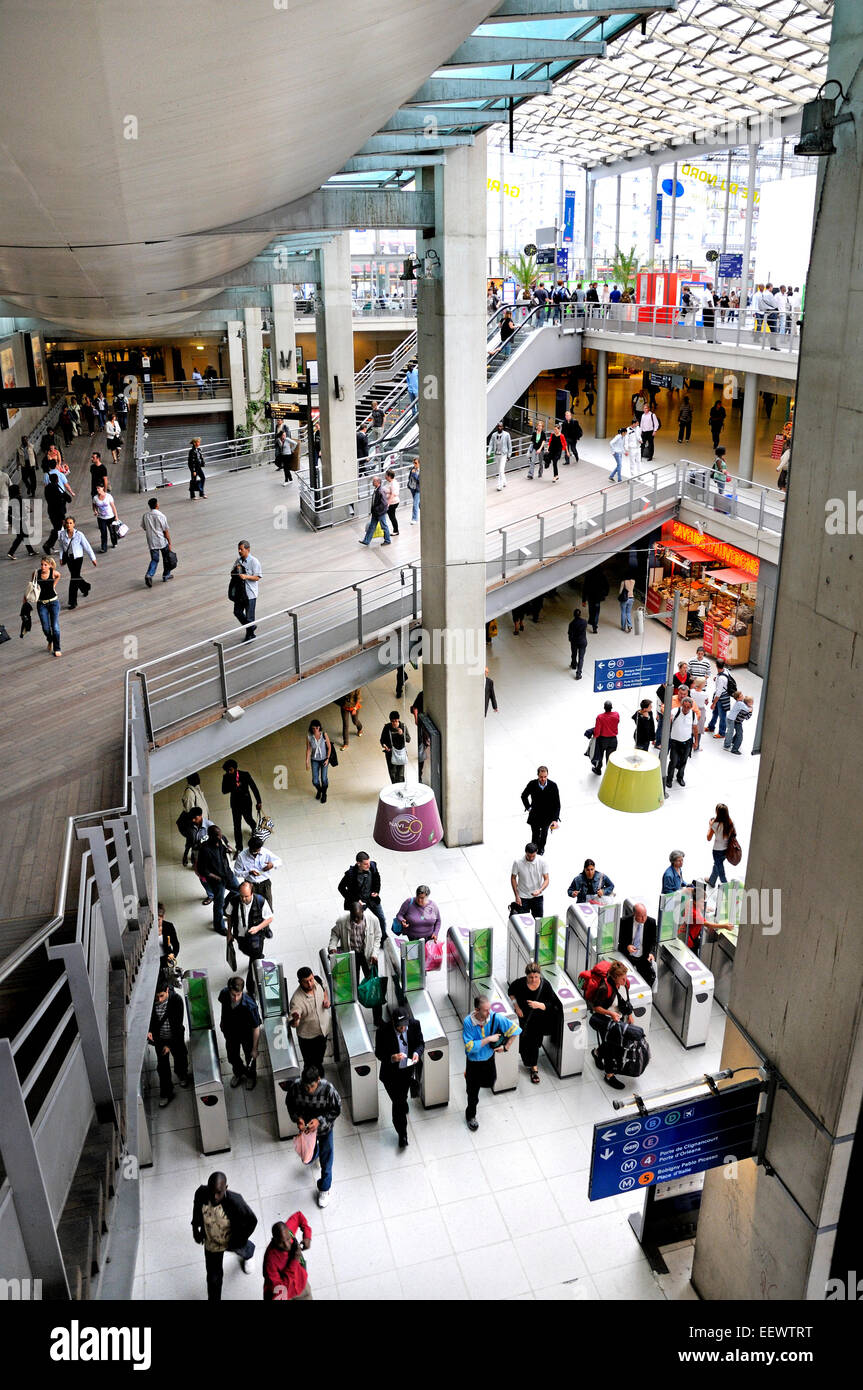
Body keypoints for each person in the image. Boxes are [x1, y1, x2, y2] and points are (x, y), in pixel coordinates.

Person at [192, 1171, 258, 1300]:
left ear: (226, 1188)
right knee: (213, 1277)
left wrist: (239, 1240)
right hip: (212, 1243)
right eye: (212, 1192)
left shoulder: (236, 1201)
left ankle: (249, 1254)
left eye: (219, 1192)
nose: (215, 1196)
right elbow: (196, 1209)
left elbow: (251, 1221)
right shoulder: (201, 1193)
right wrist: (195, 1228)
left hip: (231, 1241)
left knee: (244, 1249)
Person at [284, 1064, 342, 1208]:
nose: (308, 1090)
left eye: (311, 1086)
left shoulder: (328, 1089)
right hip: (307, 1131)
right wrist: (298, 1118)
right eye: (306, 1087)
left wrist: (320, 1121)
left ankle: (325, 1188)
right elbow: (290, 1104)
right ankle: (315, 1155)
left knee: (327, 1158)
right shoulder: (296, 1087)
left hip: (324, 1129)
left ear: (318, 1080)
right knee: (307, 1158)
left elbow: (336, 1109)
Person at [462, 992, 519, 1130]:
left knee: (490, 1081)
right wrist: (488, 1039)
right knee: (473, 1092)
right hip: (474, 1062)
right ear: (477, 1010)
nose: (489, 1012)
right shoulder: (468, 1022)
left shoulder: (494, 1017)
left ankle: (469, 1078)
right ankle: (470, 1115)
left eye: (490, 1008)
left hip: (488, 1059)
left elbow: (515, 1030)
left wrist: (506, 1047)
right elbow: (469, 1047)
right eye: (486, 1010)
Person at [375, 1005, 424, 1148]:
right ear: (393, 1024)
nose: (404, 1029)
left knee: (399, 1102)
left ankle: (402, 1131)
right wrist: (392, 1058)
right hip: (390, 1074)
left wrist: (417, 1053)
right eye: (400, 1027)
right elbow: (379, 1054)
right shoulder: (383, 1032)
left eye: (405, 1026)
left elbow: (420, 1043)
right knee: (398, 1101)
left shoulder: (414, 1025)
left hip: (407, 1070)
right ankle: (402, 1128)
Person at [507, 961, 559, 1085]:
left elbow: (552, 1004)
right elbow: (511, 992)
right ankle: (527, 1062)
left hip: (538, 1021)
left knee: (534, 1044)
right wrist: (517, 1007)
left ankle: (534, 1067)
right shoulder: (520, 983)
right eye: (531, 977)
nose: (534, 980)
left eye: (536, 977)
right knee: (523, 1043)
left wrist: (540, 1005)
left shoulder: (545, 985)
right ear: (526, 976)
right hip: (523, 1019)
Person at [587, 958, 634, 1090]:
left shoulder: (625, 984)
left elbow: (625, 1001)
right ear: (614, 977)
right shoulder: (604, 988)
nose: (625, 981)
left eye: (626, 978)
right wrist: (611, 1014)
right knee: (610, 1048)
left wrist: (629, 1014)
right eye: (622, 979)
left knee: (613, 1044)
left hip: (618, 1020)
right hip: (605, 1021)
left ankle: (596, 1053)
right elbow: (596, 1007)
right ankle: (609, 1075)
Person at [147, 975, 189, 1107]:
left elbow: (177, 1024)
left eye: (161, 996)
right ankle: (166, 1092)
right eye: (156, 997)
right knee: (162, 1067)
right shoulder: (150, 1002)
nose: (158, 1000)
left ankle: (182, 1074)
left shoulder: (176, 1000)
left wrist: (169, 1045)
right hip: (159, 1039)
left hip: (175, 1037)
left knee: (180, 1056)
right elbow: (148, 1020)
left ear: (167, 991)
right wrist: (148, 1031)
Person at [226, 879, 274, 994]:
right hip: (240, 935)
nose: (243, 899)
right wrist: (229, 932)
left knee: (253, 960)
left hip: (256, 937)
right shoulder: (234, 901)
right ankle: (257, 957)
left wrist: (257, 928)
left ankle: (251, 988)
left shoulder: (260, 901)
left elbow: (270, 918)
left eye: (246, 896)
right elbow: (229, 915)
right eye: (241, 896)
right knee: (245, 950)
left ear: (252, 893)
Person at [217, 976, 261, 1091]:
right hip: (230, 1032)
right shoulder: (224, 994)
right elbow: (223, 1007)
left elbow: (256, 1028)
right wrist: (222, 1022)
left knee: (250, 1057)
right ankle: (239, 1072)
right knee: (232, 1056)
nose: (236, 998)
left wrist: (255, 1048)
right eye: (233, 995)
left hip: (246, 1034)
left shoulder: (250, 1006)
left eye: (238, 995)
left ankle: (251, 1076)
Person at [195, 823, 240, 933]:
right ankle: (219, 926)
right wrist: (217, 878)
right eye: (218, 835)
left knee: (238, 890)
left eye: (220, 834)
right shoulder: (204, 850)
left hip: (228, 874)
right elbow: (203, 870)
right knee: (218, 904)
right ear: (211, 836)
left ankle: (225, 907)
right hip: (217, 880)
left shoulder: (222, 840)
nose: (220, 837)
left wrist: (228, 849)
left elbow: (227, 848)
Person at [338, 851, 387, 941]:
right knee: (356, 923)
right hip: (359, 903)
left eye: (369, 863)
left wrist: (376, 890)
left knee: (382, 918)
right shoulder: (350, 874)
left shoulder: (372, 866)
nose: (368, 866)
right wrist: (355, 900)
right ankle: (356, 941)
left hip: (371, 899)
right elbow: (341, 887)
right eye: (365, 864)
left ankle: (383, 938)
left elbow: (377, 877)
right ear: (358, 863)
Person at [289, 967, 331, 1069]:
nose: (310, 984)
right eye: (306, 982)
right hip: (308, 1038)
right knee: (309, 1063)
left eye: (311, 980)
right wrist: (295, 1019)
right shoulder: (296, 1000)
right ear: (299, 982)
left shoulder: (317, 981)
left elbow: (324, 988)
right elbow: (294, 1024)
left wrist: (326, 1000)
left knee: (319, 1058)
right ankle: (311, 1080)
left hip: (323, 1031)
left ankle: (318, 1074)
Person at [262, 1216, 313, 1301]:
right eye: (281, 1242)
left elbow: (299, 1216)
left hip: (301, 1284)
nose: (286, 1245)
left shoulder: (287, 1230)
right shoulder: (270, 1262)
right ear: (274, 1240)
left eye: (288, 1239)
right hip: (285, 1295)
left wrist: (307, 1236)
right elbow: (279, 1289)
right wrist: (294, 1261)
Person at [221, 758, 262, 851]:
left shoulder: (245, 775)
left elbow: (253, 788)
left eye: (230, 770)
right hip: (235, 804)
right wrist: (234, 786)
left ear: (235, 768)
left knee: (248, 819)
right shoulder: (226, 777)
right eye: (227, 770)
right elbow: (224, 790)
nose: (228, 772)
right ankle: (239, 848)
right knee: (237, 826)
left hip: (246, 802)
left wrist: (259, 801)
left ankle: (253, 827)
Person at [58, 516, 98, 610]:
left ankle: (72, 602)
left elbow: (87, 546)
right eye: (67, 523)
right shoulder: (62, 534)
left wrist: (93, 558)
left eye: (71, 523)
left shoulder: (79, 534)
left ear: (74, 524)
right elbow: (61, 546)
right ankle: (86, 587)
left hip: (78, 558)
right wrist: (61, 557)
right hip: (69, 559)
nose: (69, 525)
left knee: (73, 579)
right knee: (75, 576)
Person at [520, 766, 561, 855]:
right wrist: (529, 808)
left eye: (545, 777)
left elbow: (557, 804)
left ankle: (541, 849)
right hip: (535, 815)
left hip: (547, 816)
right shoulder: (532, 784)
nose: (543, 779)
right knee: (535, 835)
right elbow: (524, 796)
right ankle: (533, 851)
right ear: (538, 775)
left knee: (544, 834)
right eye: (541, 777)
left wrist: (555, 819)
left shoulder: (553, 786)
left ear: (547, 775)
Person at [27, 555, 63, 656]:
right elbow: (32, 586)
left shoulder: (54, 573)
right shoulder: (36, 573)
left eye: (45, 565)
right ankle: (50, 639)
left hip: (53, 603)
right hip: (41, 603)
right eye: (42, 564)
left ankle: (57, 648)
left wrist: (54, 585)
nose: (43, 567)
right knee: (45, 627)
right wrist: (25, 600)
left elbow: (59, 576)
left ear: (50, 566)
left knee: (55, 626)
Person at [234, 834, 280, 910]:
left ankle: (267, 920)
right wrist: (248, 872)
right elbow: (236, 872)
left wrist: (272, 864)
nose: (257, 853)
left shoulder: (265, 852)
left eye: (259, 850)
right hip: (250, 885)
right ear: (250, 848)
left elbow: (279, 861)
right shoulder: (241, 856)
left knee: (268, 905)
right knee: (252, 906)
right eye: (255, 851)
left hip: (265, 884)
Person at [617, 903, 658, 988]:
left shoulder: (651, 922)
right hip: (628, 956)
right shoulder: (624, 921)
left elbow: (653, 941)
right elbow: (619, 938)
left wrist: (651, 953)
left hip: (643, 957)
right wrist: (627, 946)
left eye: (645, 915)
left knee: (648, 979)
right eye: (640, 916)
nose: (644, 918)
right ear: (634, 914)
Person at [231, 539, 262, 640]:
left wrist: (246, 577)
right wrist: (237, 570)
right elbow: (232, 573)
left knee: (249, 617)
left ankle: (250, 635)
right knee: (237, 612)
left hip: (250, 594)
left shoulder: (254, 562)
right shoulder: (238, 560)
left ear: (248, 549)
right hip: (240, 593)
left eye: (241, 549)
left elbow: (257, 577)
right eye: (238, 549)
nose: (239, 551)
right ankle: (251, 627)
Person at [510, 842, 549, 920]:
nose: (531, 858)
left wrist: (540, 890)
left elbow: (546, 879)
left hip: (537, 896)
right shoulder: (517, 862)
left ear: (536, 852)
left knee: (539, 921)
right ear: (525, 852)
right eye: (528, 856)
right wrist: (517, 895)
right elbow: (513, 878)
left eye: (533, 856)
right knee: (523, 922)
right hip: (522, 897)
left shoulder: (542, 861)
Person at [141, 496, 173, 587]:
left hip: (151, 541)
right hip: (161, 540)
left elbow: (144, 527)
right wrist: (169, 542)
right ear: (157, 505)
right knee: (166, 558)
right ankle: (166, 575)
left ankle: (149, 574)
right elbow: (165, 531)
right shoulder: (161, 516)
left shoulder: (145, 516)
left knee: (154, 559)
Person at [666, 695, 695, 789]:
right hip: (675, 742)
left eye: (688, 707)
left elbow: (695, 728)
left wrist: (696, 742)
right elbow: (669, 719)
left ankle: (680, 778)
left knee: (683, 762)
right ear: (682, 705)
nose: (686, 709)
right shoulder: (675, 711)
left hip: (687, 743)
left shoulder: (693, 714)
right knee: (673, 761)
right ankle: (669, 779)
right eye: (684, 706)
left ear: (691, 707)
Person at [180, 775, 208, 866]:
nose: (199, 779)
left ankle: (192, 857)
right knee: (192, 842)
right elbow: (190, 811)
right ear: (190, 780)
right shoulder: (189, 793)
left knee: (194, 842)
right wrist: (196, 824)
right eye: (196, 778)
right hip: (195, 824)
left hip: (200, 822)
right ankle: (188, 857)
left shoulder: (197, 788)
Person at [707, 803, 735, 886]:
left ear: (717, 812)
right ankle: (711, 881)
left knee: (721, 872)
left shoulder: (715, 825)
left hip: (717, 851)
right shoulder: (730, 823)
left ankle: (726, 888)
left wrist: (710, 826)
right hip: (726, 850)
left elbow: (708, 838)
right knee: (717, 865)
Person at [6, 485, 37, 560]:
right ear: (16, 490)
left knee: (25, 535)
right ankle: (11, 552)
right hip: (19, 520)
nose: (20, 490)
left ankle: (31, 551)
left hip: (14, 520)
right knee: (20, 537)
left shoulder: (12, 498)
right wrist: (28, 511)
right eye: (19, 489)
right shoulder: (18, 498)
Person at [358, 475, 391, 546]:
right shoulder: (377, 489)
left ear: (378, 482)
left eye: (374, 481)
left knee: (384, 526)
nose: (372, 482)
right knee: (371, 527)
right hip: (376, 513)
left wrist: (377, 510)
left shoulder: (380, 491)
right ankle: (366, 541)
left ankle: (387, 540)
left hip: (380, 513)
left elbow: (384, 504)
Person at [304, 719, 332, 804]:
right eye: (313, 728)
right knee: (315, 780)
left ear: (319, 727)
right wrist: (307, 761)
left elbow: (329, 747)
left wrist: (327, 759)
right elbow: (308, 749)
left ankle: (324, 794)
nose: (315, 730)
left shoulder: (324, 734)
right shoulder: (309, 736)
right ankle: (320, 791)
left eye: (316, 728)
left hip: (324, 759)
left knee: (324, 779)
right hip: (314, 760)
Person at [380, 709, 411, 783]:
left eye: (396, 721)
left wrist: (402, 734)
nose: (395, 723)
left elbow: (408, 739)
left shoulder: (403, 726)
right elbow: (382, 740)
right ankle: (394, 788)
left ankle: (401, 787)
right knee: (392, 774)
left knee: (400, 775)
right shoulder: (387, 727)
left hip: (400, 753)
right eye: (393, 721)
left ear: (398, 720)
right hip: (390, 754)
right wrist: (384, 746)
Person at [706, 660, 735, 738]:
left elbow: (718, 693)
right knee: (715, 713)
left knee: (722, 716)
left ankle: (722, 733)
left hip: (722, 698)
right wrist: (717, 678)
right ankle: (711, 727)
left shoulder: (721, 678)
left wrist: (714, 703)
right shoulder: (726, 671)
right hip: (724, 695)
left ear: (716, 665)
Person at [591, 700, 619, 775]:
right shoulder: (616, 714)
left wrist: (595, 736)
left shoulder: (600, 717)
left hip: (603, 740)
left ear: (604, 708)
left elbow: (597, 732)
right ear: (611, 707)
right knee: (610, 758)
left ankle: (598, 769)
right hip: (613, 740)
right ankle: (609, 773)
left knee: (599, 755)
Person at [91, 483, 118, 553]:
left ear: (103, 488)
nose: (97, 490)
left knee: (112, 532)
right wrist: (95, 511)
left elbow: (113, 507)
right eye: (96, 488)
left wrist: (116, 517)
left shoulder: (109, 496)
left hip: (110, 517)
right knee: (103, 533)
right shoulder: (95, 498)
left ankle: (114, 542)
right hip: (101, 518)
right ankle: (104, 547)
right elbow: (94, 506)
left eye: (99, 488)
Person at [582, 568, 608, 633]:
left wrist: (584, 600)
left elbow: (585, 588)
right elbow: (607, 586)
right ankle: (594, 626)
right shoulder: (602, 576)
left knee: (591, 610)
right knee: (596, 612)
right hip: (598, 598)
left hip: (590, 597)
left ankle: (592, 622)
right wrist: (605, 594)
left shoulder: (588, 576)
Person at [489, 422, 512, 492]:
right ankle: (504, 481)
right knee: (500, 470)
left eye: (501, 426)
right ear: (497, 427)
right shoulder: (493, 435)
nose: (499, 428)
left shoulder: (507, 435)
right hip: (496, 454)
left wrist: (509, 455)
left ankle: (500, 485)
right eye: (498, 426)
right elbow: (491, 444)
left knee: (501, 470)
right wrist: (488, 453)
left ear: (503, 427)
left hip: (503, 454)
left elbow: (509, 445)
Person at [156, 902, 180, 969]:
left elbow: (176, 945)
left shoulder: (168, 926)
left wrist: (172, 956)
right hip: (152, 960)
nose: (155, 923)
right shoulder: (149, 929)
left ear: (162, 917)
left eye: (158, 920)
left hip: (165, 957)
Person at [567, 607, 588, 679]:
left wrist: (570, 640)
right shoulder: (584, 622)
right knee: (581, 657)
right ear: (580, 614)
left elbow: (570, 633)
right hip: (582, 641)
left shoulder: (571, 624)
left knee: (574, 654)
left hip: (575, 641)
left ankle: (573, 665)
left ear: (574, 615)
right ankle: (578, 673)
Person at [690, 677, 709, 752]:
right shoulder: (705, 694)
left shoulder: (691, 691)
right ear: (701, 684)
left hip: (692, 710)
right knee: (699, 729)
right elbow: (706, 702)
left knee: (691, 728)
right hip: (700, 711)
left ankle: (690, 744)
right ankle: (697, 746)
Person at [384, 467, 400, 536]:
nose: (385, 476)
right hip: (391, 502)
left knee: (392, 517)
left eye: (386, 475)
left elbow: (393, 494)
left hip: (393, 502)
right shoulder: (390, 482)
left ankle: (396, 531)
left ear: (389, 476)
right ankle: (395, 530)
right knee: (391, 516)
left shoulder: (393, 483)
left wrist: (388, 503)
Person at [407, 457, 420, 523]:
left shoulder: (421, 470)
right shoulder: (412, 469)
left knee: (415, 504)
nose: (414, 464)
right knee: (419, 504)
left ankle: (414, 519)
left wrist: (414, 474)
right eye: (413, 463)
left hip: (418, 490)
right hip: (412, 488)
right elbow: (409, 477)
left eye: (416, 463)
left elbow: (419, 480)